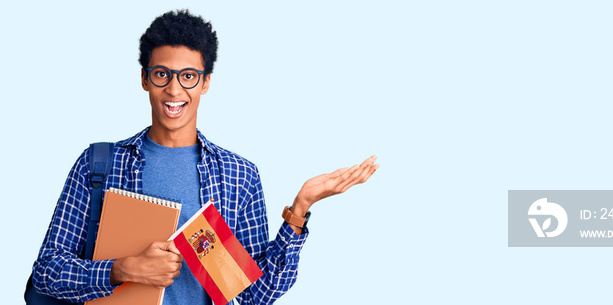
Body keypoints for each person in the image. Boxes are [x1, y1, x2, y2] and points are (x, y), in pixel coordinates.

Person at [30, 9, 378, 305]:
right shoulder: (99, 165)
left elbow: (255, 295)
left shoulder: (238, 175)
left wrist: (299, 209)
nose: (174, 89)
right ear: (145, 79)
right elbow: (46, 271)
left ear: (205, 83)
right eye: (162, 73)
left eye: (189, 76)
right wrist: (121, 269)